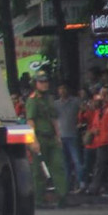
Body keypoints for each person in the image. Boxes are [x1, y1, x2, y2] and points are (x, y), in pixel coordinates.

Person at [26, 71, 67, 206]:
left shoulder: (49, 98)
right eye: (41, 82)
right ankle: (38, 199)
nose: (44, 84)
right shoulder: (33, 100)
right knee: (38, 171)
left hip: (51, 138)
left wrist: (58, 135)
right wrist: (34, 141)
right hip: (39, 138)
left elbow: (53, 118)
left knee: (58, 166)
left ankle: (62, 197)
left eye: (46, 81)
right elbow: (30, 121)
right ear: (36, 83)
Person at [55, 82, 85, 194]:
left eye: (64, 89)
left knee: (77, 161)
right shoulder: (56, 104)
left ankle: (81, 183)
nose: (62, 91)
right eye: (60, 89)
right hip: (61, 136)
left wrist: (81, 122)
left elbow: (85, 110)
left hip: (73, 135)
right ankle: (66, 186)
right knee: (65, 163)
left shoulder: (75, 101)